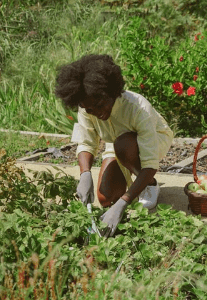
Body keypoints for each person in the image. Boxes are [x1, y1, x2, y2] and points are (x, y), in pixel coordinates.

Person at [55, 54, 174, 237]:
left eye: (100, 105)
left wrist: (123, 204)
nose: (97, 113)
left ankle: (150, 185)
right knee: (106, 198)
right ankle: (130, 179)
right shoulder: (87, 106)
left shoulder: (138, 108)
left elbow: (150, 163)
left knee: (124, 146)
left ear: (111, 93)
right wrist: (85, 174)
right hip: (117, 143)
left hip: (153, 140)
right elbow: (86, 142)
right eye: (90, 110)